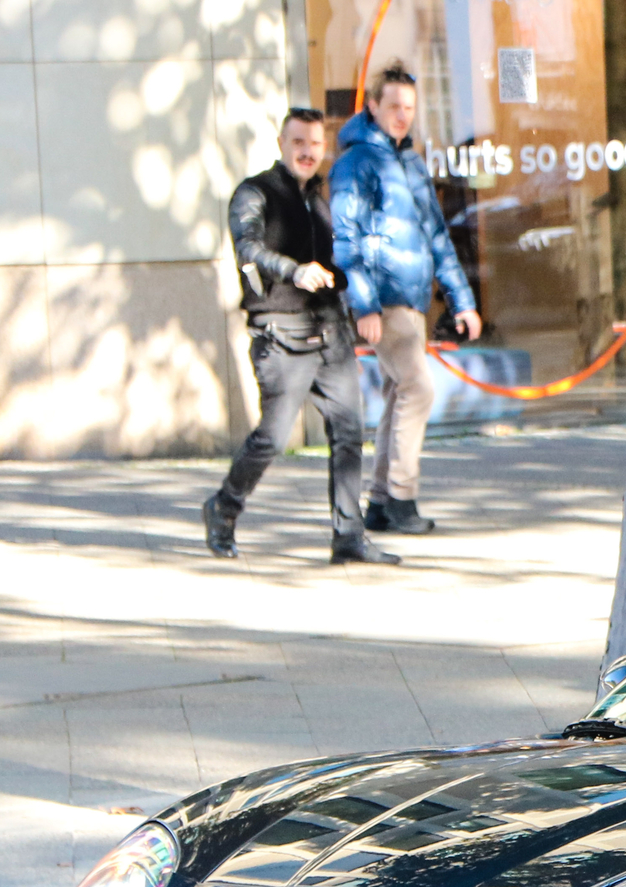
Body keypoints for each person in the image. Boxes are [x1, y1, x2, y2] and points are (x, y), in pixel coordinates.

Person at [202, 108, 387, 564]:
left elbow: (344, 259)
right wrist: (294, 271)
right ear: (282, 144)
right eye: (298, 142)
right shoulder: (256, 193)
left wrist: (359, 299)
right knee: (273, 435)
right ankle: (223, 507)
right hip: (280, 334)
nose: (307, 151)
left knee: (348, 433)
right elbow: (247, 246)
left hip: (331, 333)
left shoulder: (322, 198)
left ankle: (348, 539)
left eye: (315, 143)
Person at [331, 63, 481, 538]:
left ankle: (380, 502)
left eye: (409, 108)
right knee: (419, 388)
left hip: (412, 299)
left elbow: (437, 234)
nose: (402, 115)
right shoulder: (356, 162)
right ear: (372, 106)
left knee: (401, 393)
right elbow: (346, 240)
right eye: (393, 105)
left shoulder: (411, 163)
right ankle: (400, 497)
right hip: (386, 299)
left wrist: (462, 300)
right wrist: (365, 305)